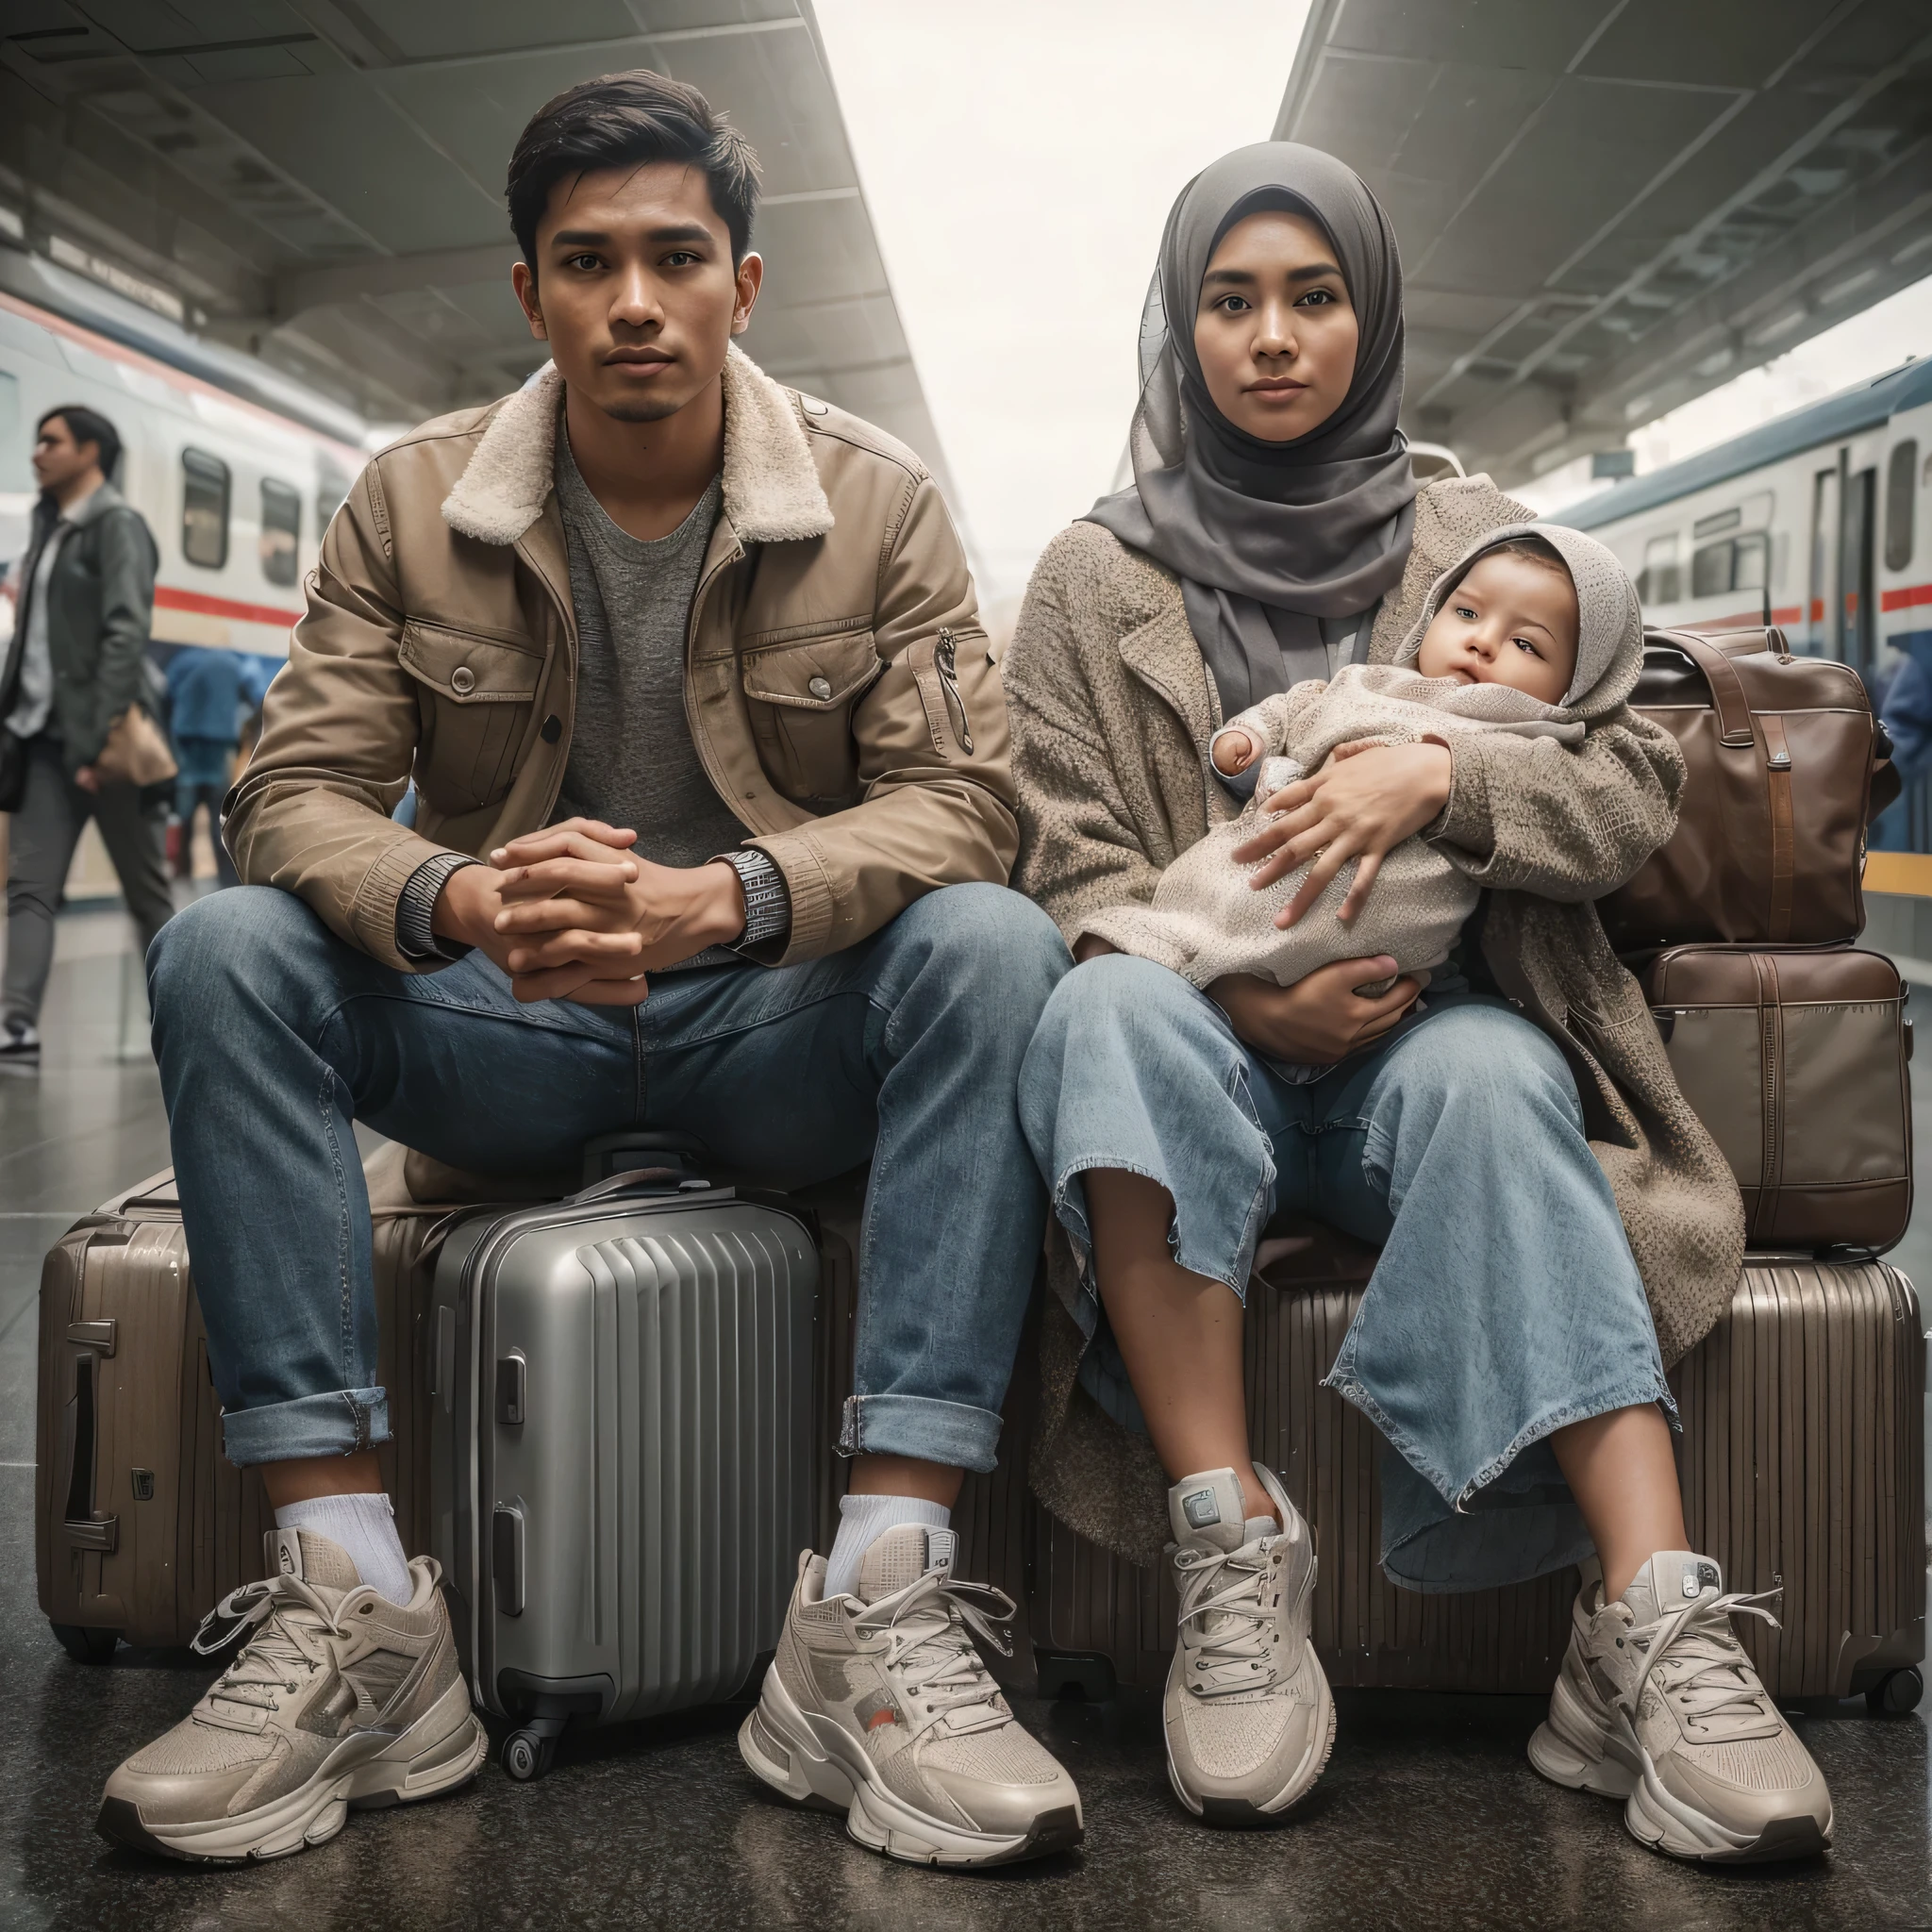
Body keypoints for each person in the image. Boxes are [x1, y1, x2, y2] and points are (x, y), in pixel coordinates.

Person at [106, 71, 1080, 1869]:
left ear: (743, 287)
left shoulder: (878, 507)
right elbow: (290, 798)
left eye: (674, 259)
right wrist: (465, 902)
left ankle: (879, 1595)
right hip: (508, 1024)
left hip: (767, 1026)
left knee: (996, 944)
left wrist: (734, 900)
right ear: (529, 292)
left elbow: (968, 808)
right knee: (232, 943)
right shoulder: (411, 505)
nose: (635, 301)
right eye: (588, 262)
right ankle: (357, 1605)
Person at [1005, 142, 1833, 1863]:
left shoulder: (1486, 538)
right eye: (1228, 301)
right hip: (1188, 1046)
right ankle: (1230, 1553)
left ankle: (1647, 1632)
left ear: (1371, 319)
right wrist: (1237, 1003)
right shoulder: (1089, 579)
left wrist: (1432, 788)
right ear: (1178, 327)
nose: (1272, 336)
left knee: (1493, 1074)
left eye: (1313, 297)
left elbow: (1623, 797)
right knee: (1099, 1014)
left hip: (1429, 1036)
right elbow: (1065, 870)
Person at [1083, 527, 1626, 991]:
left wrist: (1448, 774)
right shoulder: (1375, 683)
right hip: (1272, 857)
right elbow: (1303, 705)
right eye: (1466, 612)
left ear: (1578, 687)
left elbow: (1618, 792)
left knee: (1237, 934)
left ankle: (1189, 963)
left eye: (1527, 645)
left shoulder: (1534, 737)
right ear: (1432, 615)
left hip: (1385, 930)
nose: (1483, 642)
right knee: (1212, 897)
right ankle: (1188, 961)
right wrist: (1252, 734)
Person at [0, 406, 175, 1073]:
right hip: (44, 742)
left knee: (146, 894)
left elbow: (127, 632)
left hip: (106, 745)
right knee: (30, 888)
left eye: (53, 441)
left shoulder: (115, 526)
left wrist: (101, 733)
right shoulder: (50, 532)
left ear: (91, 452)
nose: (38, 452)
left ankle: (186, 1019)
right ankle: (17, 1030)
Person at [164, 644, 247, 888]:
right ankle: (226, 882)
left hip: (187, 748)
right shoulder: (233, 663)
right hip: (219, 749)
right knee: (219, 820)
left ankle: (182, 878)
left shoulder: (181, 661)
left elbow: (166, 697)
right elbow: (251, 696)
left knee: (185, 816)